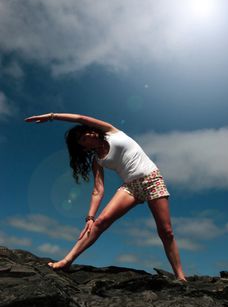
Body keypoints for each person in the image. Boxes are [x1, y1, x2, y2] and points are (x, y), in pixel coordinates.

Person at [25, 112, 187, 281]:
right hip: (130, 187)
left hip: (151, 179)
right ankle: (67, 261)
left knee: (166, 231)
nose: (87, 134)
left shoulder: (111, 132)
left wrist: (52, 116)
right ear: (84, 147)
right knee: (99, 222)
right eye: (82, 138)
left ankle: (180, 276)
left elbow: (81, 119)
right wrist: (90, 217)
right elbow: (98, 189)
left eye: (85, 132)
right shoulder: (98, 160)